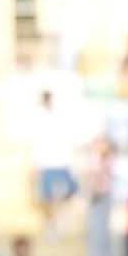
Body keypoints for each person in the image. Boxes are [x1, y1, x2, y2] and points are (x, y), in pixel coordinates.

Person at [31, 90, 78, 235]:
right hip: (47, 163)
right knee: (48, 198)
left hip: (61, 162)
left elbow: (67, 140)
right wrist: (37, 164)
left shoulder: (60, 117)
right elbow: (37, 143)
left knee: (65, 196)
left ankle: (61, 223)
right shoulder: (38, 118)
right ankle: (51, 225)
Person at [85, 136, 115, 256]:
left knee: (102, 230)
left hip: (103, 196)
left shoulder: (107, 159)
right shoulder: (96, 159)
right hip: (97, 197)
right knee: (96, 230)